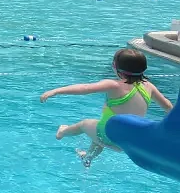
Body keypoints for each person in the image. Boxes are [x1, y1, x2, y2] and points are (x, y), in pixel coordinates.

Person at [40, 49, 173, 166]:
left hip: (109, 136)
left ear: (115, 67)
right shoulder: (148, 86)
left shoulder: (114, 85)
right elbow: (167, 106)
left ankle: (62, 132)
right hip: (131, 141)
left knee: (85, 124)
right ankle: (88, 158)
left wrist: (56, 91)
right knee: (97, 137)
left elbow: (85, 88)